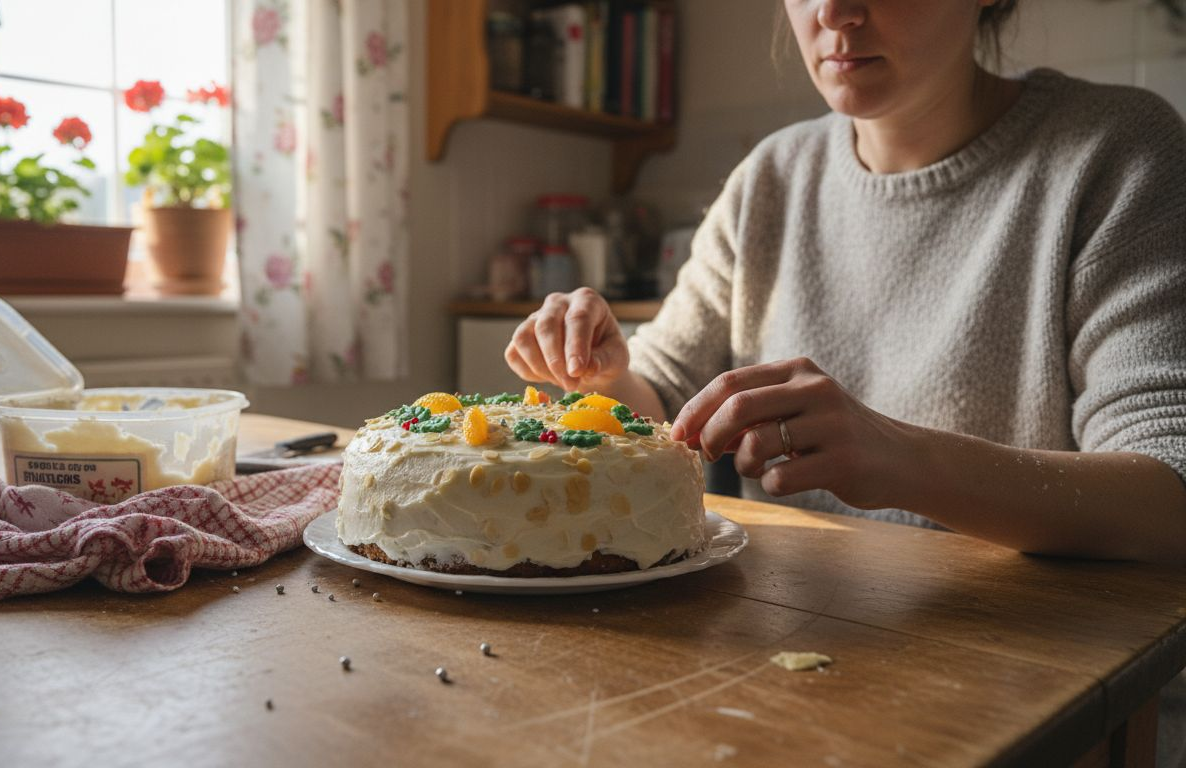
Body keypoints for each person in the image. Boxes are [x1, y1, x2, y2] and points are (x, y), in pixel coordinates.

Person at [507, 1, 1186, 761]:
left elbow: (1169, 500)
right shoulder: (772, 177)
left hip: (1029, 693)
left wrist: (899, 458)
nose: (833, 9)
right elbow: (662, 403)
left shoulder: (1118, 154)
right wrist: (608, 375)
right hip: (773, 674)